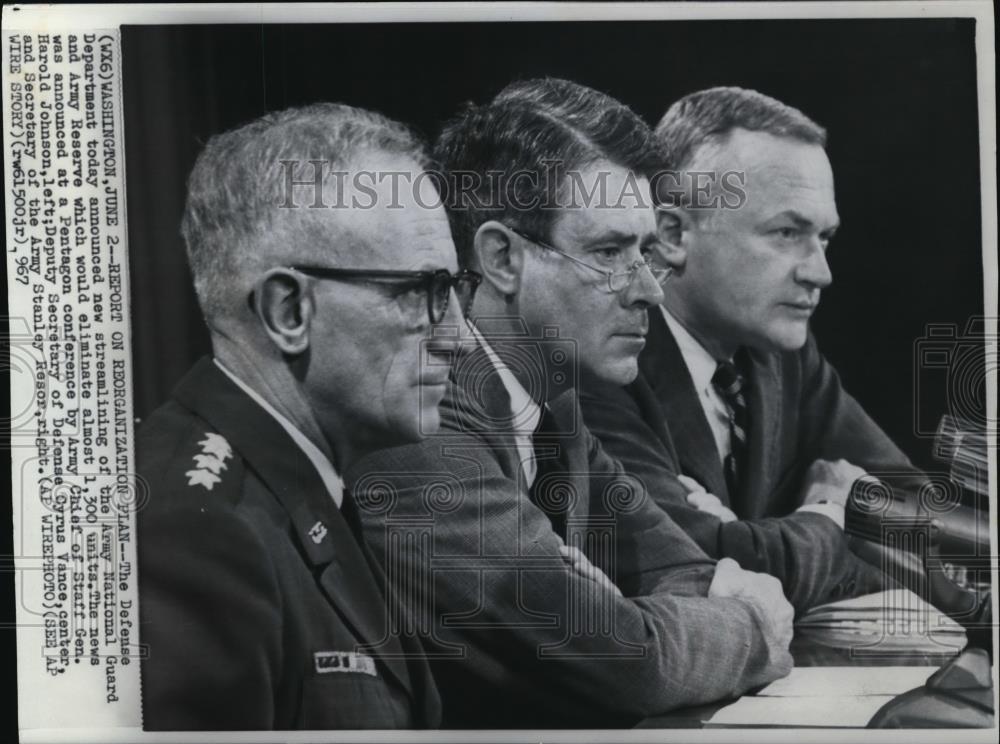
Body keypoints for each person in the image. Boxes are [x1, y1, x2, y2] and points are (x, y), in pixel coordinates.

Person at [346, 78, 795, 729]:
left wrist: (630, 616)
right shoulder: (421, 426)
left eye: (646, 253)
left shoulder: (552, 398)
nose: (647, 291)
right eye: (609, 252)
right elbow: (623, 661)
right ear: (502, 258)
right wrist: (749, 629)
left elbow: (686, 571)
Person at [136, 103, 476, 729]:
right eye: (420, 292)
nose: (456, 336)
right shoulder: (201, 537)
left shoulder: (304, 486)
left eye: (456, 290)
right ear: (288, 311)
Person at [580, 86, 914, 612]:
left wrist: (750, 539)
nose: (819, 272)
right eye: (786, 232)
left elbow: (913, 516)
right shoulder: (602, 362)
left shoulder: (782, 355)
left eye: (824, 237)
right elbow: (695, 575)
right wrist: (827, 513)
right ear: (671, 233)